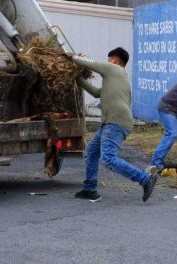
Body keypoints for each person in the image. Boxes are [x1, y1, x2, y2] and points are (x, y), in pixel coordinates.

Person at [70, 47, 158, 202]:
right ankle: (90, 189)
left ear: (115, 59)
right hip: (111, 122)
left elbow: (91, 64)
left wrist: (71, 57)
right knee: (91, 152)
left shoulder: (114, 69)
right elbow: (97, 93)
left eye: (109, 59)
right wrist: (77, 79)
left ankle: (145, 179)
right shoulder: (118, 77)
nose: (107, 62)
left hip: (115, 121)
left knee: (108, 158)